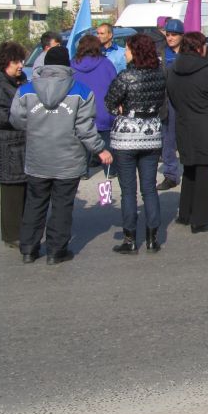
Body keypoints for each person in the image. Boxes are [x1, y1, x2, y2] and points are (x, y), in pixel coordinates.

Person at [11, 46, 113, 264]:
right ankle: (56, 251)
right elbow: (85, 129)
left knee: (35, 203)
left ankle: (28, 248)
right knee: (62, 205)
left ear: (45, 64)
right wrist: (100, 149)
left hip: (38, 157)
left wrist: (37, 126)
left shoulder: (25, 90)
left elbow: (17, 120)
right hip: (69, 158)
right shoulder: (82, 91)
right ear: (68, 65)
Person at [103, 33, 167, 253]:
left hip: (126, 137)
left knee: (128, 190)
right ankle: (152, 238)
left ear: (135, 51)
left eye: (128, 49)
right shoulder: (160, 75)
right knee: (149, 189)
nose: (125, 52)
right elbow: (161, 102)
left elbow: (109, 102)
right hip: (151, 134)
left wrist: (119, 108)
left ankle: (130, 239)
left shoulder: (125, 76)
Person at [166, 31, 208, 233]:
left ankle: (185, 213)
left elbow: (172, 97)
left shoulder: (173, 69)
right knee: (204, 171)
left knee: (189, 170)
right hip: (206, 125)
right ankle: (200, 220)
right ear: (199, 47)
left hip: (184, 123)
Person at [0, 41, 29, 248]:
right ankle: (12, 235)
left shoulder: (16, 81)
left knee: (22, 189)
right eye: (16, 61)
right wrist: (24, 118)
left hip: (19, 143)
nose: (20, 65)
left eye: (21, 61)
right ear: (5, 62)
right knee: (12, 191)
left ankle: (21, 230)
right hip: (8, 144)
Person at [72, 35, 119, 176]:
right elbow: (115, 86)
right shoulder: (106, 64)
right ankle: (110, 170)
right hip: (104, 110)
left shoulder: (71, 65)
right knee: (106, 141)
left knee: (81, 141)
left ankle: (82, 171)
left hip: (80, 110)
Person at [156, 19, 184, 191]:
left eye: (174, 35)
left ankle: (191, 173)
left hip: (187, 101)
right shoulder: (161, 53)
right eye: (168, 35)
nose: (171, 38)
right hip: (167, 102)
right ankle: (171, 175)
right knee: (168, 139)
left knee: (188, 139)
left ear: (182, 35)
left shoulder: (189, 53)